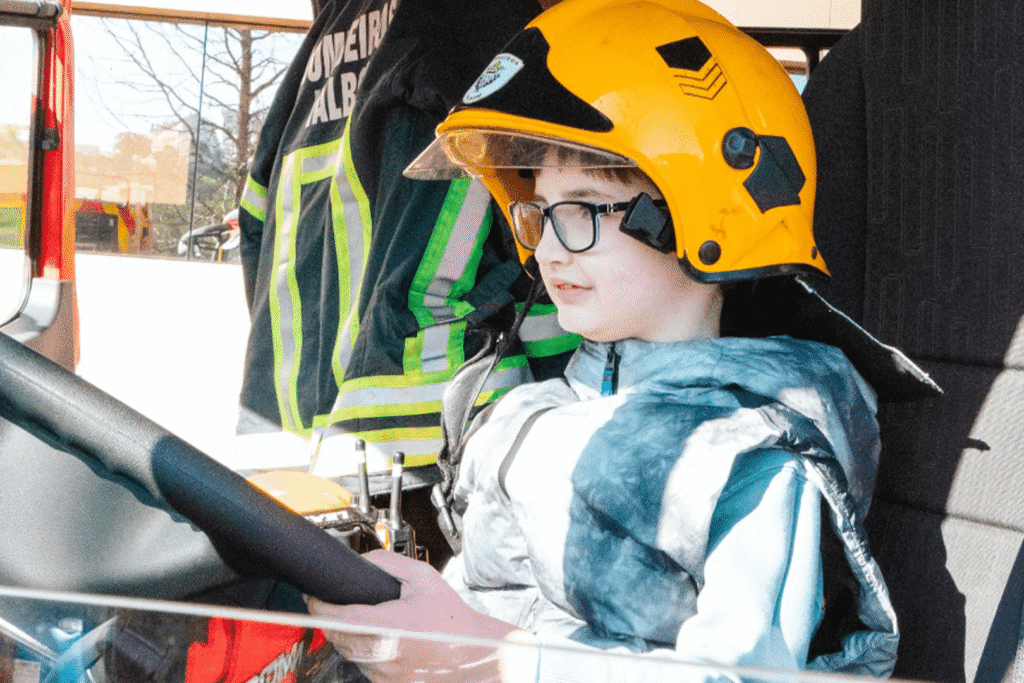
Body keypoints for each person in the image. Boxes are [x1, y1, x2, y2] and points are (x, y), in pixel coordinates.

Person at [306, 0, 938, 680]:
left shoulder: (752, 460)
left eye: (580, 209)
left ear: (700, 210)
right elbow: (491, 599)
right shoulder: (530, 413)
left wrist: (488, 658)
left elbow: (737, 674)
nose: (547, 247)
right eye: (536, 212)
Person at [236, 0, 577, 484]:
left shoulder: (329, 34)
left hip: (281, 434)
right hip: (424, 443)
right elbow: (547, 234)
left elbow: (254, 220)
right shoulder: (485, 18)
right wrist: (577, 399)